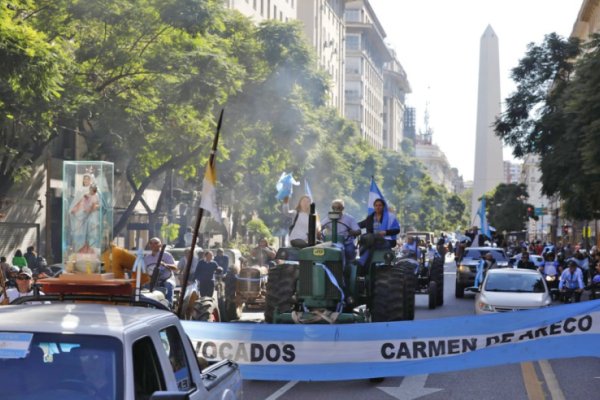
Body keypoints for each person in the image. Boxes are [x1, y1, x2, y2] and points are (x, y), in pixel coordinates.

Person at [358, 198, 400, 267]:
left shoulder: (390, 217)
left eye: (380, 205)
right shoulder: (370, 218)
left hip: (387, 241)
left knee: (369, 245)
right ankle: (364, 266)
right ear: (374, 207)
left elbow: (397, 230)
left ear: (383, 207)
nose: (378, 207)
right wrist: (350, 226)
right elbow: (359, 225)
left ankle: (362, 263)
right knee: (366, 241)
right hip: (372, 241)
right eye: (376, 205)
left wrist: (385, 232)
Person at [69, 182, 101, 254]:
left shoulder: (96, 196)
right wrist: (74, 210)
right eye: (90, 189)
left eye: (93, 189)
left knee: (91, 232)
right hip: (85, 215)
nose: (91, 191)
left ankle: (89, 247)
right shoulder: (85, 196)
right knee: (84, 231)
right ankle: (83, 247)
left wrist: (92, 208)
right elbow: (80, 204)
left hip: (92, 216)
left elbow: (97, 205)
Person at [144, 237, 177, 306]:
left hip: (166, 279)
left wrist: (164, 264)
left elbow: (175, 268)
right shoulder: (147, 257)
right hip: (152, 279)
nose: (153, 245)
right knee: (144, 287)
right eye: (151, 243)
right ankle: (146, 304)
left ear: (160, 245)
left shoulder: (166, 255)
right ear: (149, 245)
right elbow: (144, 271)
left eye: (156, 243)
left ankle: (168, 305)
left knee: (168, 285)